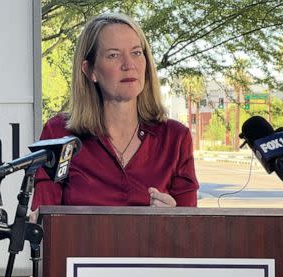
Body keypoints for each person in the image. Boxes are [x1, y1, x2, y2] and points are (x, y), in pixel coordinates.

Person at [31, 13, 198, 214]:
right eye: (113, 55)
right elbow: (45, 226)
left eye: (136, 52)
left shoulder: (176, 137)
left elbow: (192, 234)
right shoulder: (59, 133)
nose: (129, 65)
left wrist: (175, 218)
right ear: (89, 70)